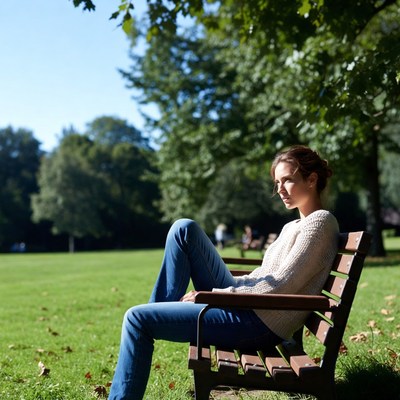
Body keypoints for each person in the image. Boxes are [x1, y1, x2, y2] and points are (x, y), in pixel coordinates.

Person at [108, 145, 339, 400]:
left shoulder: (320, 223)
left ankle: (155, 320)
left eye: (288, 180)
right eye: (277, 182)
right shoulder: (293, 225)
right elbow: (264, 275)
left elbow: (282, 285)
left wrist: (216, 294)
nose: (280, 189)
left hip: (258, 323)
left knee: (136, 319)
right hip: (249, 307)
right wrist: (224, 292)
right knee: (183, 229)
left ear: (312, 179)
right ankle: (160, 314)